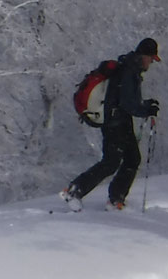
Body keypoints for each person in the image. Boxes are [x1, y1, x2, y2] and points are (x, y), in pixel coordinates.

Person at [62, 37, 162, 210]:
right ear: (144, 56)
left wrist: (146, 105)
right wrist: (145, 110)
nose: (151, 63)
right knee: (111, 162)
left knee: (131, 158)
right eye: (151, 58)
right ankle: (75, 190)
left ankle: (116, 199)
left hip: (119, 120)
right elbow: (127, 103)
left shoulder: (129, 68)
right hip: (115, 122)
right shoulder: (130, 71)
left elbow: (127, 100)